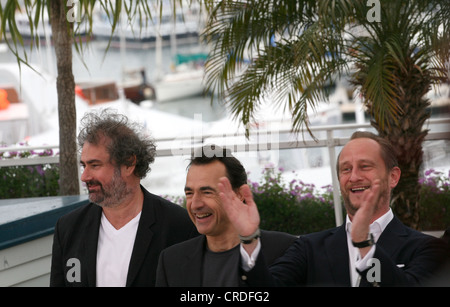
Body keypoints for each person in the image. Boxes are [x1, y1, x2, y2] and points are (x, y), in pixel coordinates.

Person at [218, 131, 449, 286]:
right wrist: (248, 239)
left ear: (393, 177)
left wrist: (365, 246)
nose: (354, 177)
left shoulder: (428, 249)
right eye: (346, 169)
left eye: (365, 166)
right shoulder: (308, 247)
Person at [50, 109, 198, 287]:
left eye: (95, 165)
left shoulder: (179, 226)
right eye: (84, 166)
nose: (85, 176)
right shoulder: (68, 228)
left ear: (129, 164)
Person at [155, 145, 296, 286]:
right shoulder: (171, 261)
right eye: (189, 193)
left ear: (239, 194)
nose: (195, 205)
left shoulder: (284, 249)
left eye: (207, 192)